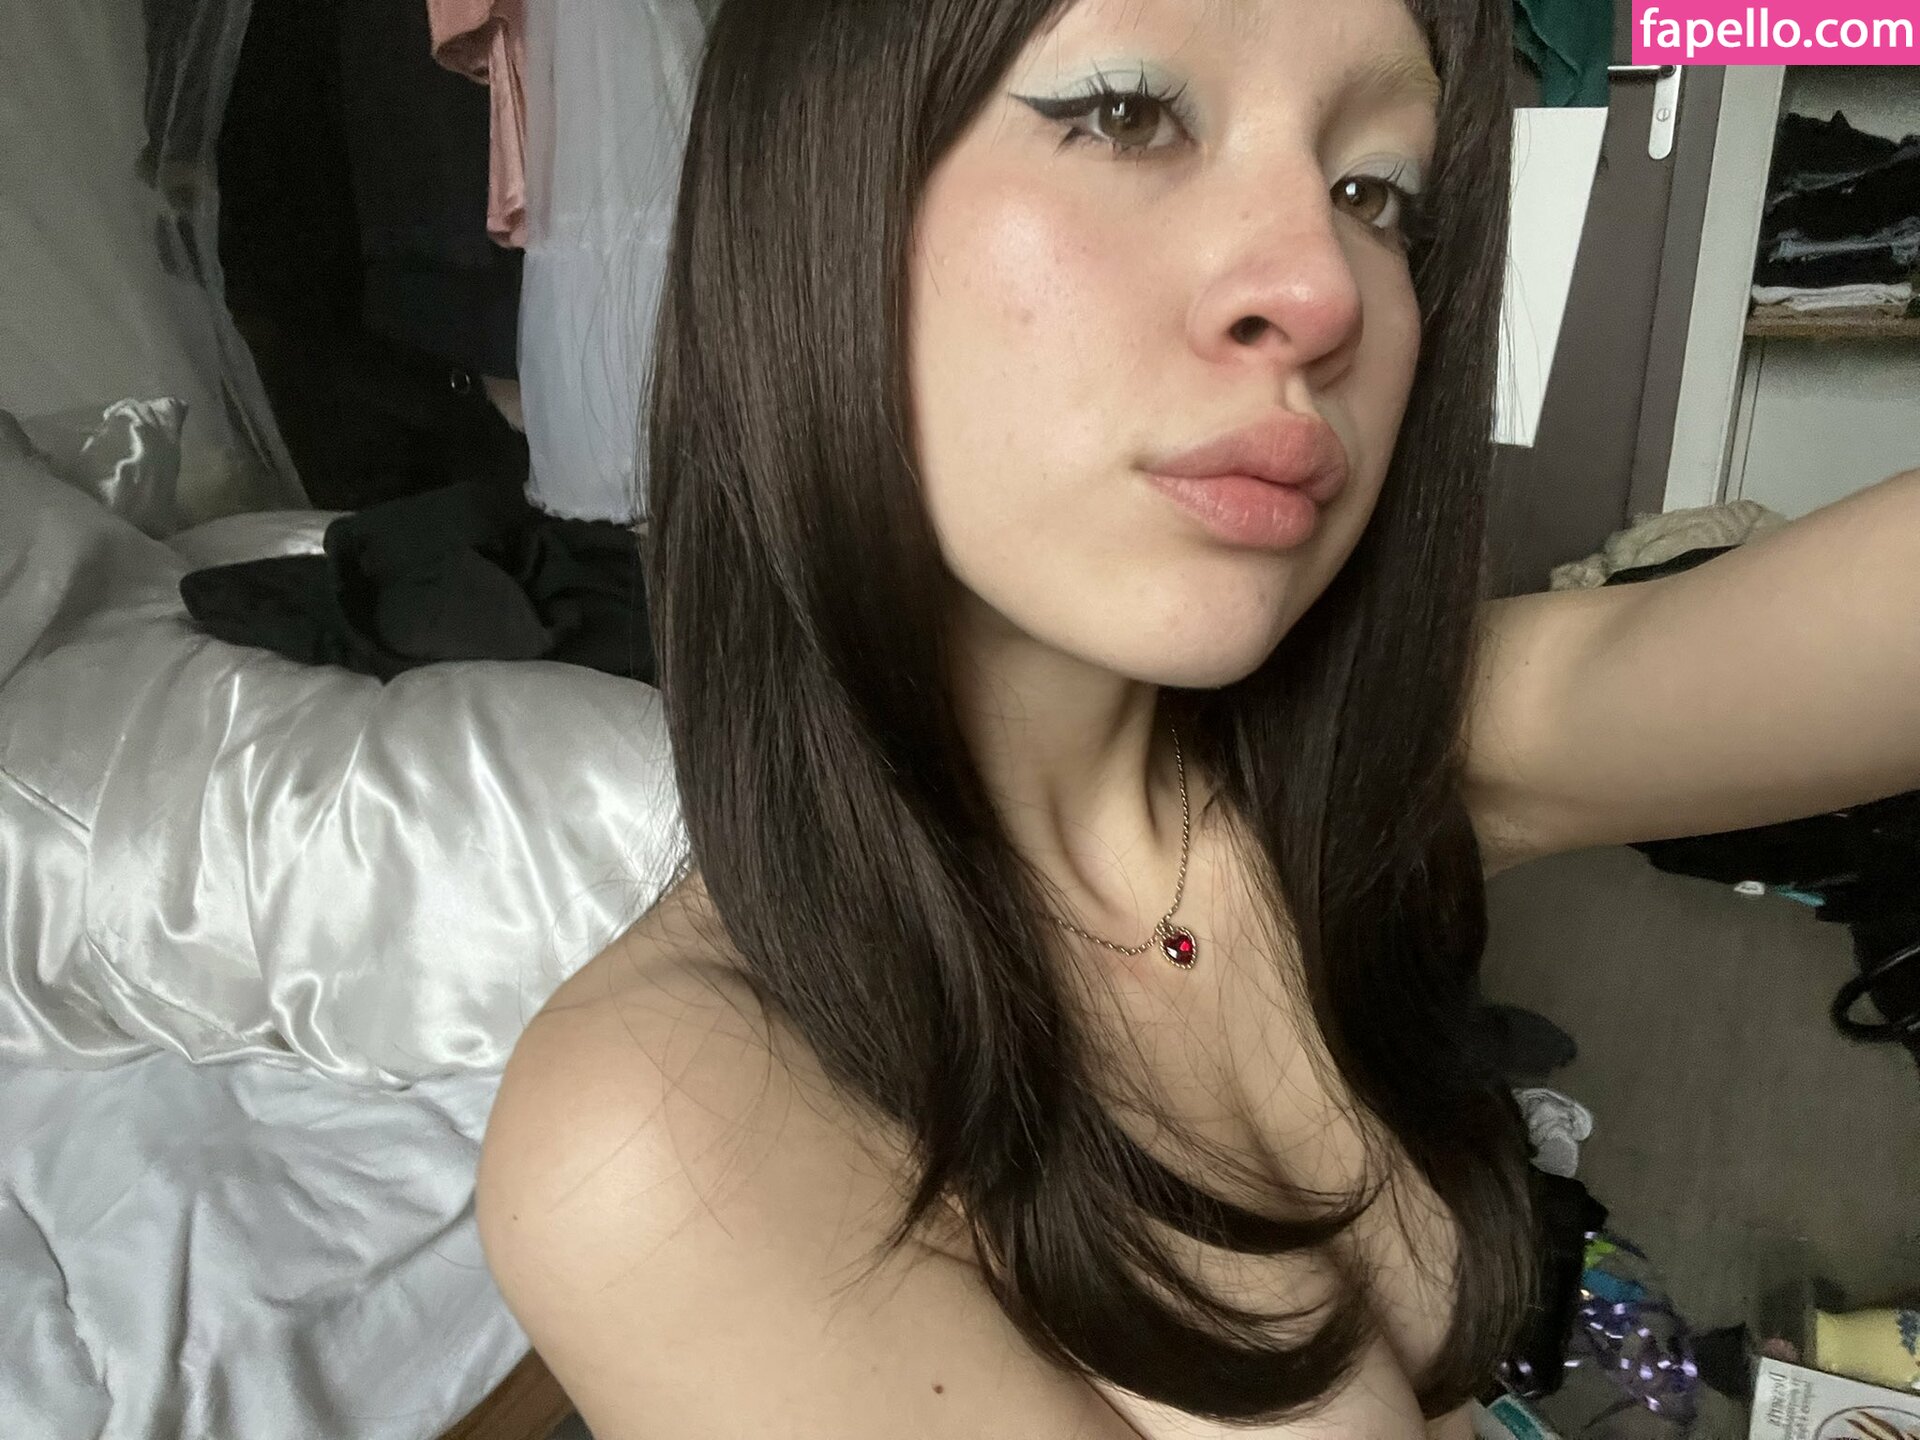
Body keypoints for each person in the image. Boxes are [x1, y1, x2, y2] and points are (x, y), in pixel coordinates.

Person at [474, 0, 1920, 1435]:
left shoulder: (1344, 761)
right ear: (808, 200)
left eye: (1375, 192)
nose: (1323, 289)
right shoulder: (658, 1135)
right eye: (1124, 114)